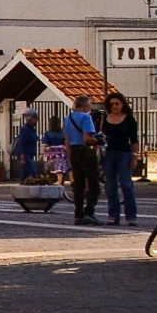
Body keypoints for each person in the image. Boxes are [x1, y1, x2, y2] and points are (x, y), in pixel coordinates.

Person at [99, 91, 141, 225]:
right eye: (111, 104)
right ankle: (113, 215)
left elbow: (134, 140)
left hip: (124, 153)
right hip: (109, 154)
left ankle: (131, 216)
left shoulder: (129, 120)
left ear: (122, 104)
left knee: (126, 184)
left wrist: (135, 156)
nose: (114, 106)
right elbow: (98, 136)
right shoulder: (104, 120)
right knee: (110, 186)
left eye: (117, 103)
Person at [63, 94, 102, 223]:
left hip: (74, 152)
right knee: (93, 183)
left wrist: (70, 155)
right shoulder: (86, 117)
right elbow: (87, 138)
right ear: (86, 106)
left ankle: (78, 214)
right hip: (86, 152)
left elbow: (67, 139)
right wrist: (99, 141)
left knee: (78, 185)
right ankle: (89, 212)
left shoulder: (68, 118)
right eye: (90, 105)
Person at [11, 109, 40, 183]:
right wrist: (22, 157)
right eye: (36, 118)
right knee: (32, 171)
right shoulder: (25, 129)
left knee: (25, 173)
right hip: (25, 154)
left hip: (30, 154)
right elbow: (22, 143)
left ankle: (23, 186)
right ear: (31, 119)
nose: (37, 120)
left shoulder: (32, 129)